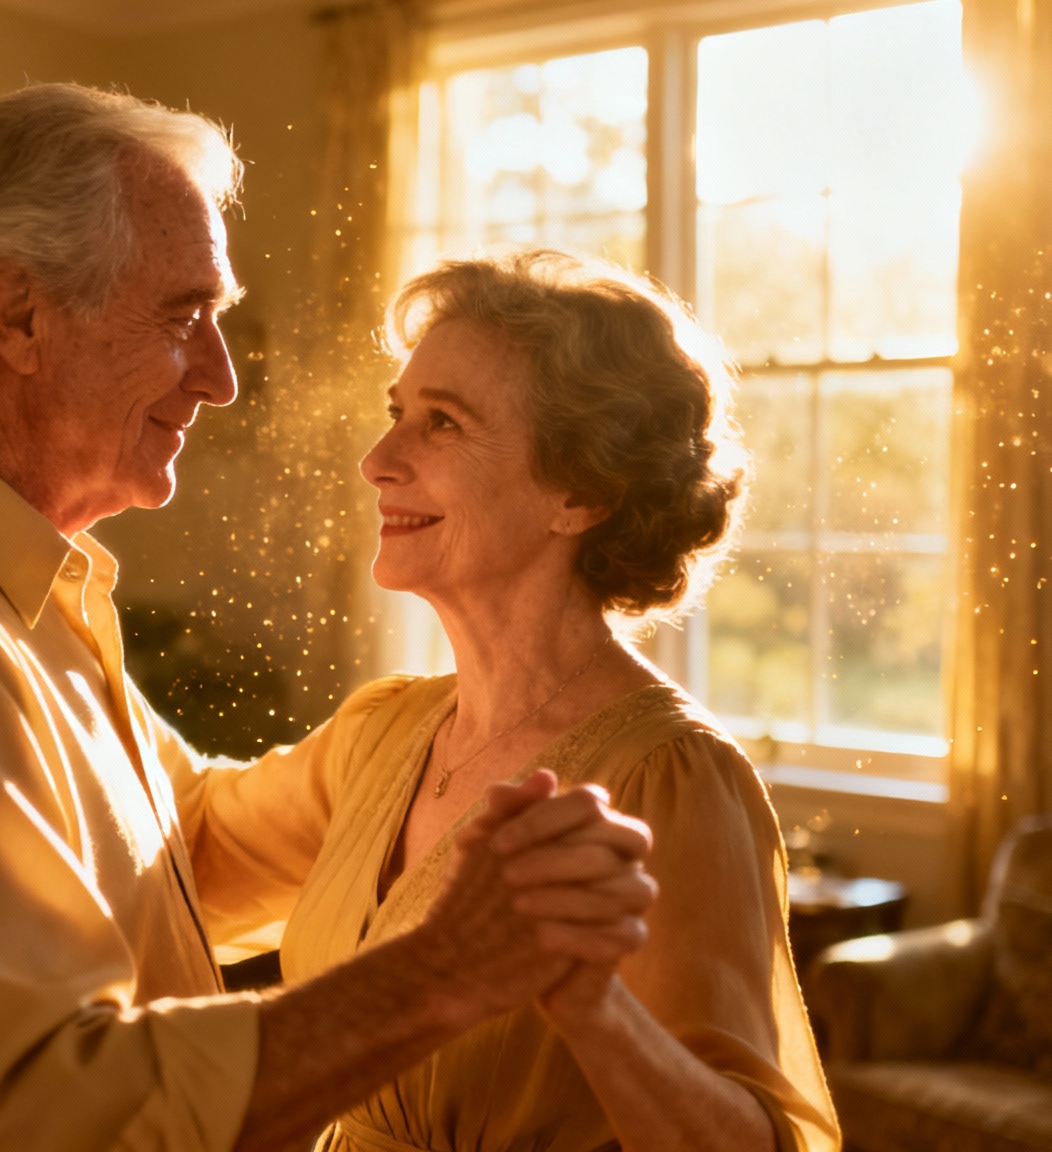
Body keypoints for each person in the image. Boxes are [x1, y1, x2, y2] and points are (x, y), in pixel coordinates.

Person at [0, 84, 656, 1152]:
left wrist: (422, 746)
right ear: (18, 315)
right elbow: (52, 1118)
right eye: (182, 316)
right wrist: (447, 970)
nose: (220, 379)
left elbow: (170, 858)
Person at [178, 252, 841, 1151]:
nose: (378, 461)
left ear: (581, 491)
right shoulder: (384, 733)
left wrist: (595, 1009)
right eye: (395, 415)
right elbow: (179, 856)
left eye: (442, 423)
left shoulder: (668, 780)